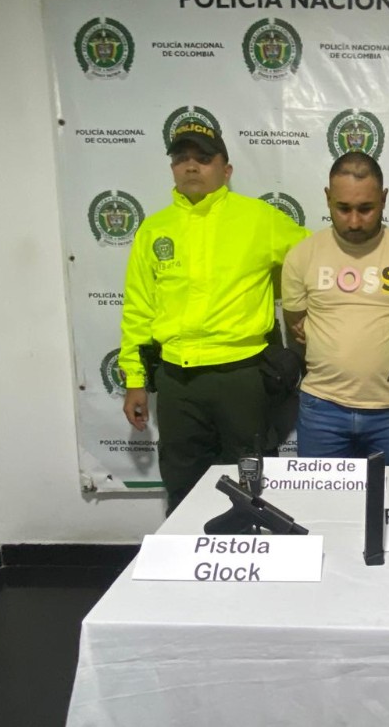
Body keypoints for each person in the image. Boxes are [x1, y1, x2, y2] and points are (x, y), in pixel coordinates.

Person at [119, 125, 308, 514]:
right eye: (181, 158)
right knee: (182, 483)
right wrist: (135, 380)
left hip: (242, 376)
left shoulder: (260, 219)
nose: (191, 166)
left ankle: (254, 550)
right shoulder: (154, 229)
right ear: (172, 168)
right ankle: (187, 548)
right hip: (177, 380)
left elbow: (316, 260)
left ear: (227, 170)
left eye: (203, 158)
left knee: (250, 484)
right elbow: (138, 309)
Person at [281, 152, 389, 464]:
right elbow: (296, 322)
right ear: (327, 198)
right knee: (319, 495)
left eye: (366, 209)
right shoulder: (302, 256)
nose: (354, 221)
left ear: (384, 199)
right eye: (343, 208)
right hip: (321, 408)